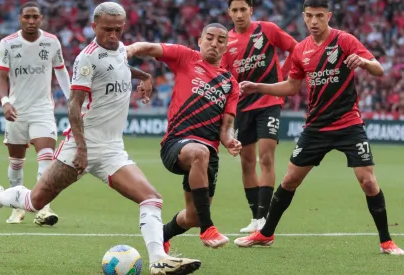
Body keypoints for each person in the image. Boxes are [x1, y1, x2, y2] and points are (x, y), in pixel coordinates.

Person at [0, 2, 202, 274]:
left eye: (118, 29)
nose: (112, 35)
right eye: (107, 29)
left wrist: (144, 75)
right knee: (35, 202)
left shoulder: (120, 49)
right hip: (80, 147)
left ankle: (159, 260)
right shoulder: (87, 58)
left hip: (112, 150)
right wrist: (82, 150)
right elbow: (73, 106)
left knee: (151, 198)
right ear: (94, 26)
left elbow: (117, 66)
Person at [234, 0, 404, 255]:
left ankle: (386, 241)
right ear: (303, 17)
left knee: (368, 181)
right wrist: (259, 87)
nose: (314, 21)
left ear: (329, 16)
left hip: (349, 124)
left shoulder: (344, 40)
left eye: (319, 16)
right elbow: (292, 87)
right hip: (316, 127)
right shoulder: (301, 49)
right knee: (290, 179)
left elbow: (378, 69)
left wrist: (364, 62)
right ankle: (266, 234)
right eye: (310, 16)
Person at [126, 23, 242, 252]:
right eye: (209, 38)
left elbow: (226, 126)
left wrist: (229, 140)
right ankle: (208, 228)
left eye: (221, 40)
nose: (214, 43)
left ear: (226, 47)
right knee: (200, 152)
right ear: (200, 41)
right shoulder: (186, 57)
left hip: (208, 155)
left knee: (192, 216)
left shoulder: (231, 84)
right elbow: (151, 47)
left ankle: (162, 235)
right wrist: (130, 49)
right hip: (176, 143)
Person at [221, 0, 298, 233]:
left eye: (243, 9)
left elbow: (296, 48)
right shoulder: (227, 42)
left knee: (265, 157)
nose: (239, 14)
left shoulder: (267, 29)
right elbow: (225, 77)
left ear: (251, 10)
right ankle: (255, 217)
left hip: (269, 101)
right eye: (235, 10)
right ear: (229, 13)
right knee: (246, 162)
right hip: (242, 107)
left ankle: (264, 217)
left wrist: (285, 77)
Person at [0, 1, 70, 226]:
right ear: (20, 18)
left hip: (42, 110)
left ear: (41, 19)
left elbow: (61, 72)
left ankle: (44, 207)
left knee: (46, 156)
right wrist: (5, 102)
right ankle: (17, 207)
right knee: (17, 162)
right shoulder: (7, 44)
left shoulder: (51, 41)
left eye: (35, 17)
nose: (31, 21)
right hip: (17, 110)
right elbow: (1, 78)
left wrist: (72, 99)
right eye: (27, 16)